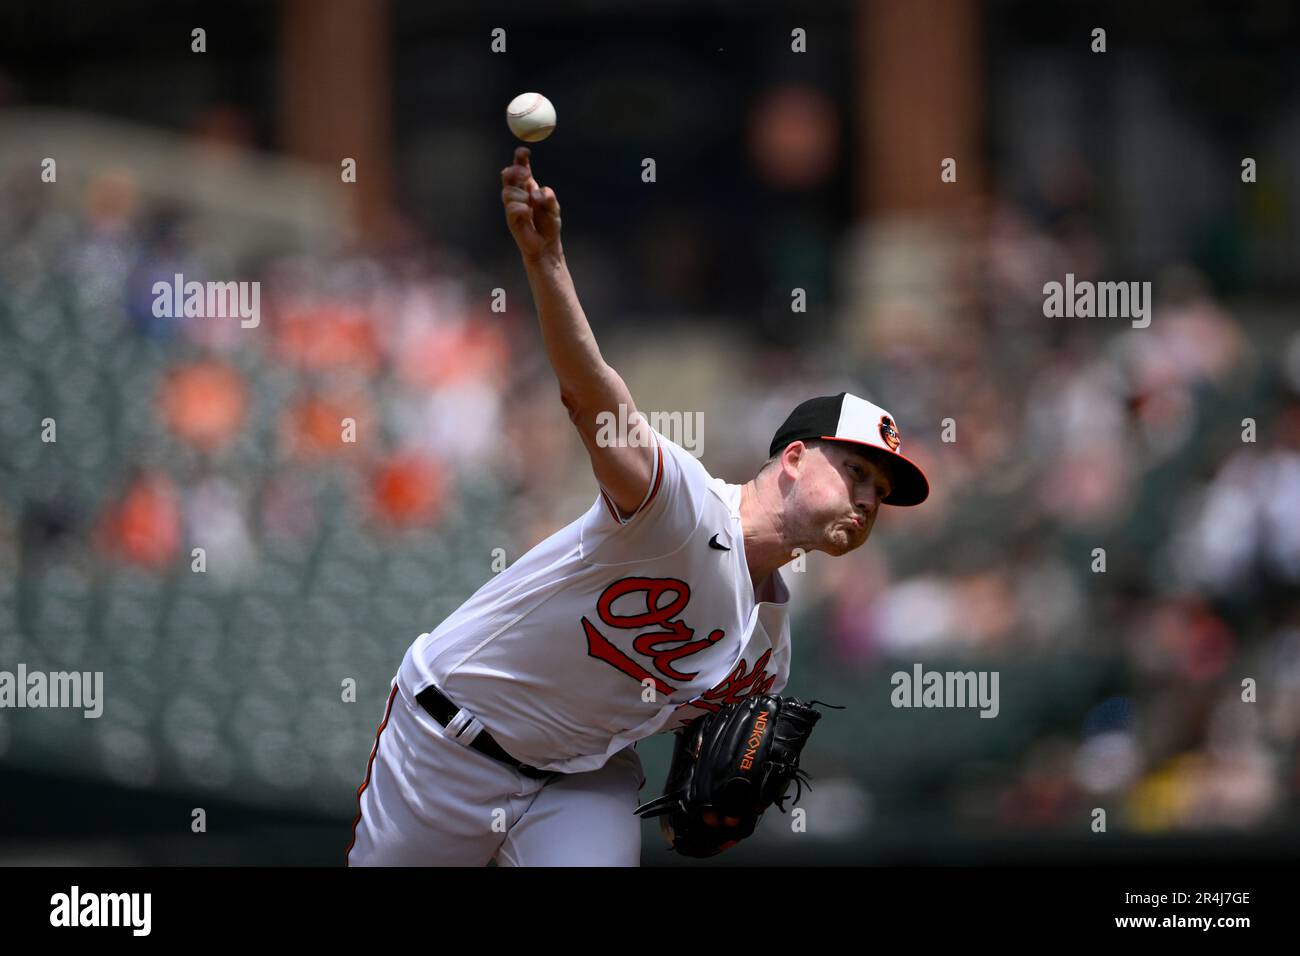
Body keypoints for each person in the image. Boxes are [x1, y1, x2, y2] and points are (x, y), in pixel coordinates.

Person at [345, 147, 929, 866]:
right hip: (445, 741)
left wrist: (705, 813)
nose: (868, 498)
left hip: (580, 780)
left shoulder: (770, 655)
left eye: (880, 491)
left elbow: (699, 786)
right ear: (795, 458)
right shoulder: (678, 506)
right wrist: (546, 261)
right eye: (856, 471)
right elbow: (590, 396)